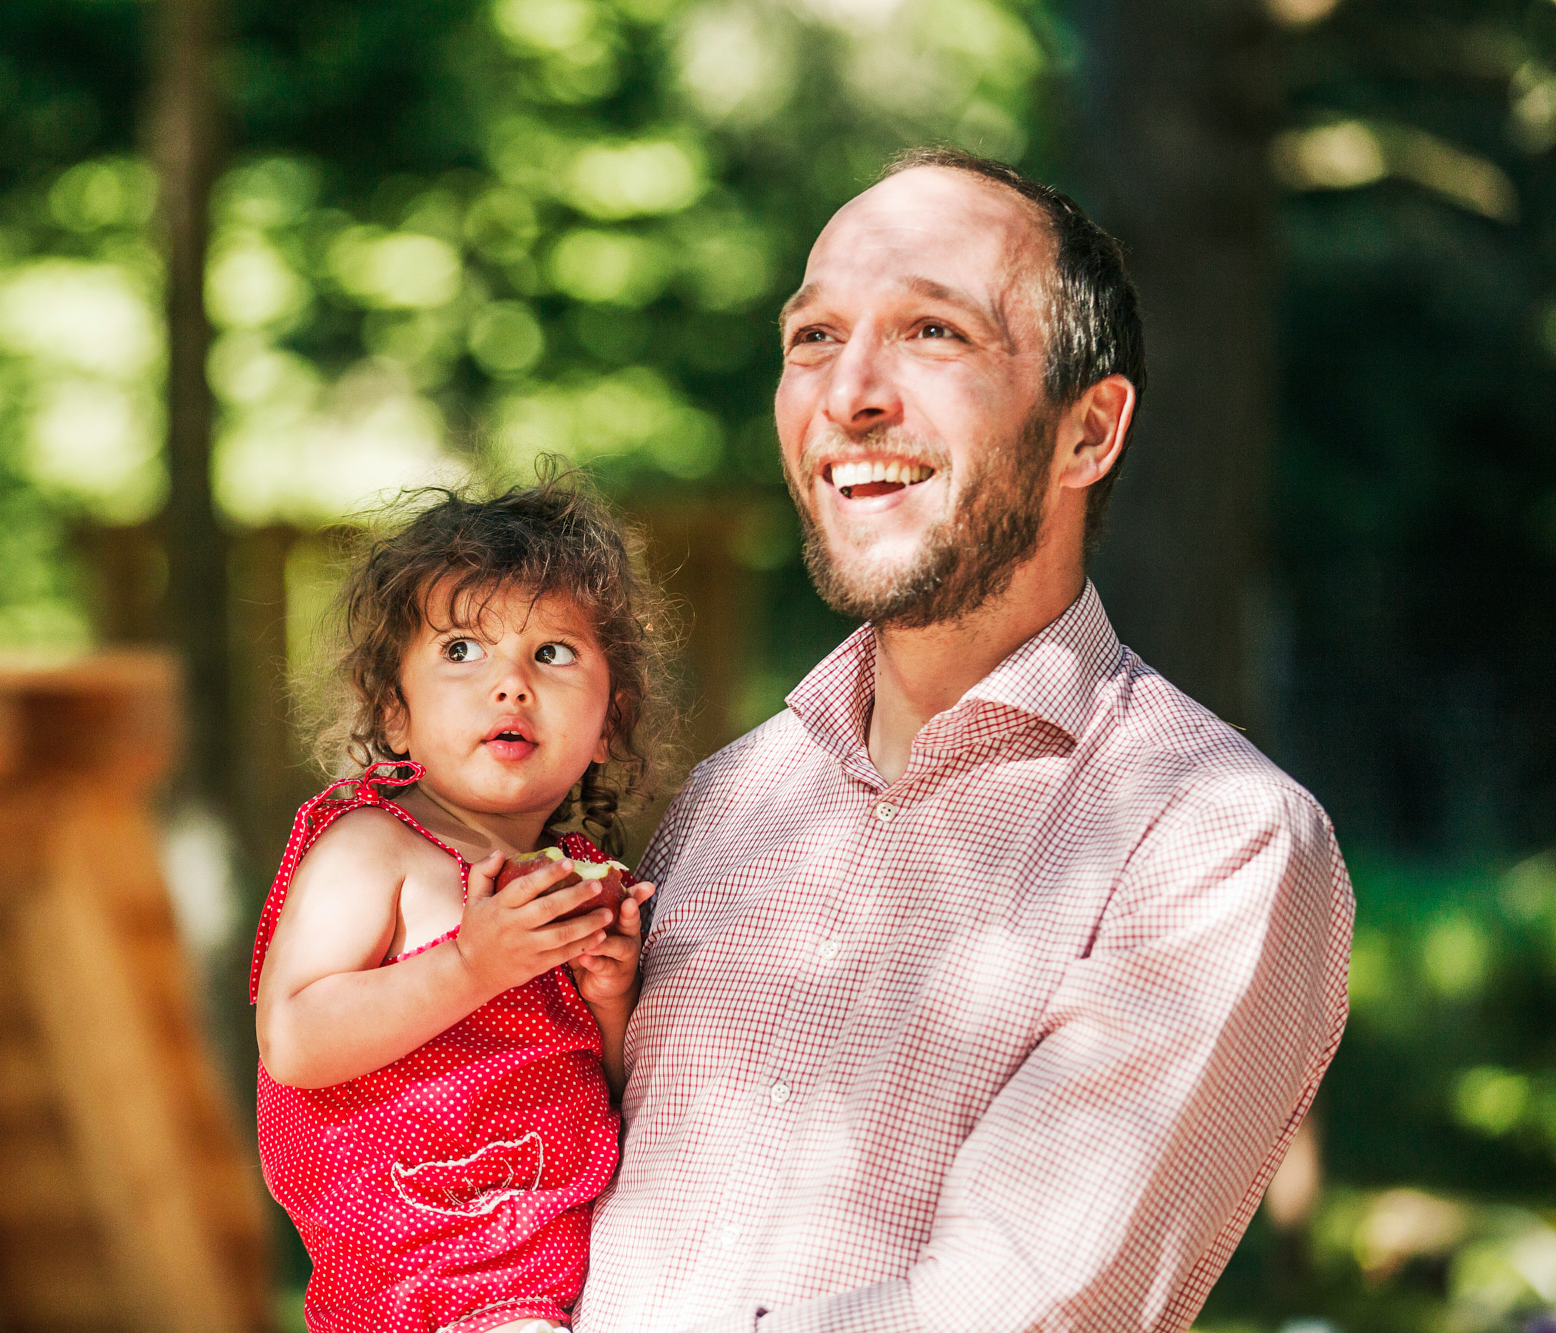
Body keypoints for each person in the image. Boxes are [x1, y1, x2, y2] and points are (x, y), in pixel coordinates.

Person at [576, 147, 1355, 1333]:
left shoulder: (1213, 840)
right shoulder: (731, 796)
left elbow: (1010, 1310)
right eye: (812, 337)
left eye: (931, 332)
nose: (848, 393)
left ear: (1085, 432)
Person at [251, 478, 670, 1333]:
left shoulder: (575, 880)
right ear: (395, 711)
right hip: (415, 1293)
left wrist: (609, 997)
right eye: (463, 650)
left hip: (564, 1286)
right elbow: (292, 1040)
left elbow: (612, 1090)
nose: (510, 684)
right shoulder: (374, 847)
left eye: (553, 652)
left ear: (609, 718)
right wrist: (472, 964)